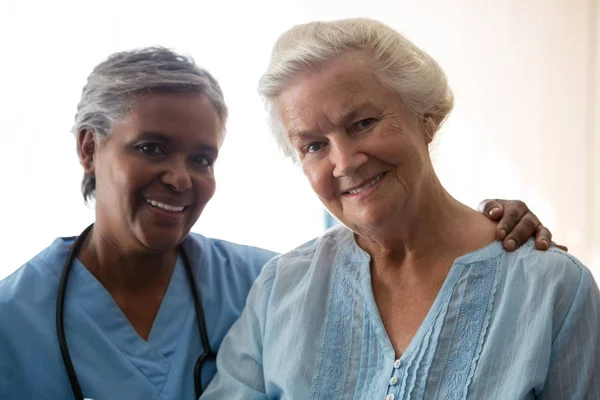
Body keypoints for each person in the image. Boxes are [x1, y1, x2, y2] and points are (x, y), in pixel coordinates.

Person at [0, 47, 555, 400]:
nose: (180, 178)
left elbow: (378, 260)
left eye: (202, 159)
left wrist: (484, 229)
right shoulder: (13, 321)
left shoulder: (266, 282)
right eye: (151, 148)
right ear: (88, 147)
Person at [202, 18, 600, 399]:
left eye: (363, 123)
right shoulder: (280, 290)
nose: (345, 162)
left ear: (425, 118)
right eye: (313, 145)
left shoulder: (552, 291)